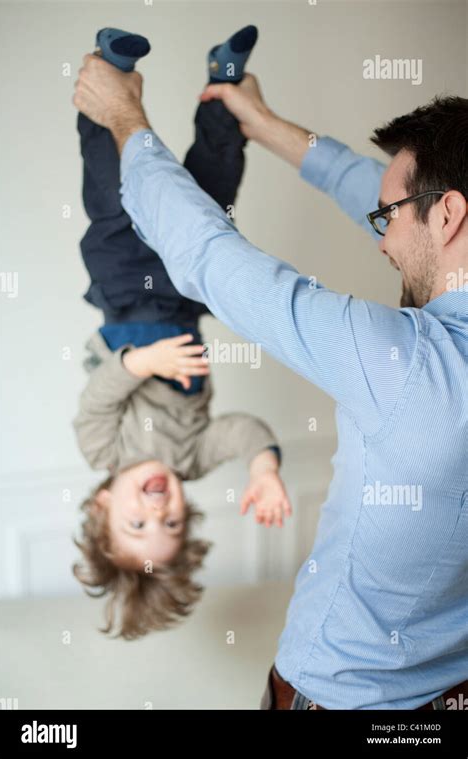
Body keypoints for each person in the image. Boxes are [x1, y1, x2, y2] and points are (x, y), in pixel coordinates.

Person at [72, 56, 467, 709]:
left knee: (118, 200)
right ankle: (222, 125)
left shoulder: (406, 360)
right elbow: (384, 193)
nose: (381, 241)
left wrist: (124, 118)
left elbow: (211, 258)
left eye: (387, 218)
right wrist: (265, 124)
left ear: (448, 214)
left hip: (347, 700)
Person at [73, 28, 291, 641]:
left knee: (110, 192)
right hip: (185, 294)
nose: (156, 511)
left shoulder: (102, 452)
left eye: (135, 525)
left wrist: (140, 364)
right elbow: (243, 430)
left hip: (122, 287)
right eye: (169, 525)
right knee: (211, 193)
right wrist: (263, 467)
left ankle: (110, 73)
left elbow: (98, 400)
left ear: (103, 506)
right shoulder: (193, 460)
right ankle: (223, 83)